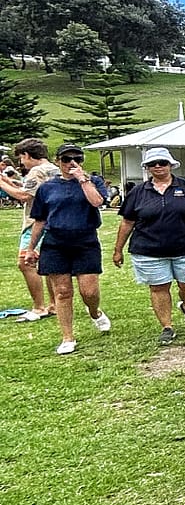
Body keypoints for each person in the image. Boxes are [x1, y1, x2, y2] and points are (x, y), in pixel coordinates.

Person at [113, 148, 185, 344]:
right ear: (147, 168)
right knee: (158, 288)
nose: (158, 166)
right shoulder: (137, 192)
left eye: (162, 162)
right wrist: (118, 250)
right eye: (152, 164)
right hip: (148, 250)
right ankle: (167, 326)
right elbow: (127, 222)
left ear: (171, 165)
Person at [24, 144, 112, 355]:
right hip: (55, 243)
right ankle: (67, 337)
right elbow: (40, 220)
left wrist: (82, 179)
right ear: (57, 161)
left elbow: (97, 202)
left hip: (85, 241)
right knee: (62, 292)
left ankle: (94, 312)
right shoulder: (47, 188)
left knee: (89, 292)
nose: (71, 163)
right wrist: (30, 248)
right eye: (66, 159)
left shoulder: (93, 181)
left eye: (77, 159)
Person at [1, 138, 59, 320]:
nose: (21, 163)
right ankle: (54, 305)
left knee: (25, 263)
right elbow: (33, 190)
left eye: (21, 158)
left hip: (35, 223)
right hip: (54, 222)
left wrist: (1, 184)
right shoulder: (54, 169)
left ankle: (39, 307)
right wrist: (7, 181)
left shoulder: (37, 171)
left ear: (27, 154)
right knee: (48, 265)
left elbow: (24, 195)